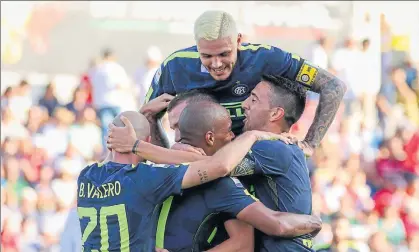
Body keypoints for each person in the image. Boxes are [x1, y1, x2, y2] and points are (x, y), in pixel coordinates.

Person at [144, 10, 346, 156]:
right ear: (196, 46)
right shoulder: (175, 66)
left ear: (239, 41)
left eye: (224, 54)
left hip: (256, 162)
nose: (216, 64)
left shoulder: (266, 58)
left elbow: (334, 86)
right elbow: (145, 120)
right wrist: (164, 161)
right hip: (198, 168)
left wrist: (310, 144)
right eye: (206, 56)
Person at [77, 111, 287, 251]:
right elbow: (218, 166)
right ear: (147, 142)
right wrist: (250, 136)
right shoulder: (145, 177)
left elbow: (110, 159)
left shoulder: (85, 176)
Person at [155, 101, 322, 252]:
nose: (233, 136)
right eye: (229, 131)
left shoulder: (151, 170)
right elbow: (270, 228)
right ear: (210, 137)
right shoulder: (221, 184)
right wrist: (314, 222)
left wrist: (140, 141)